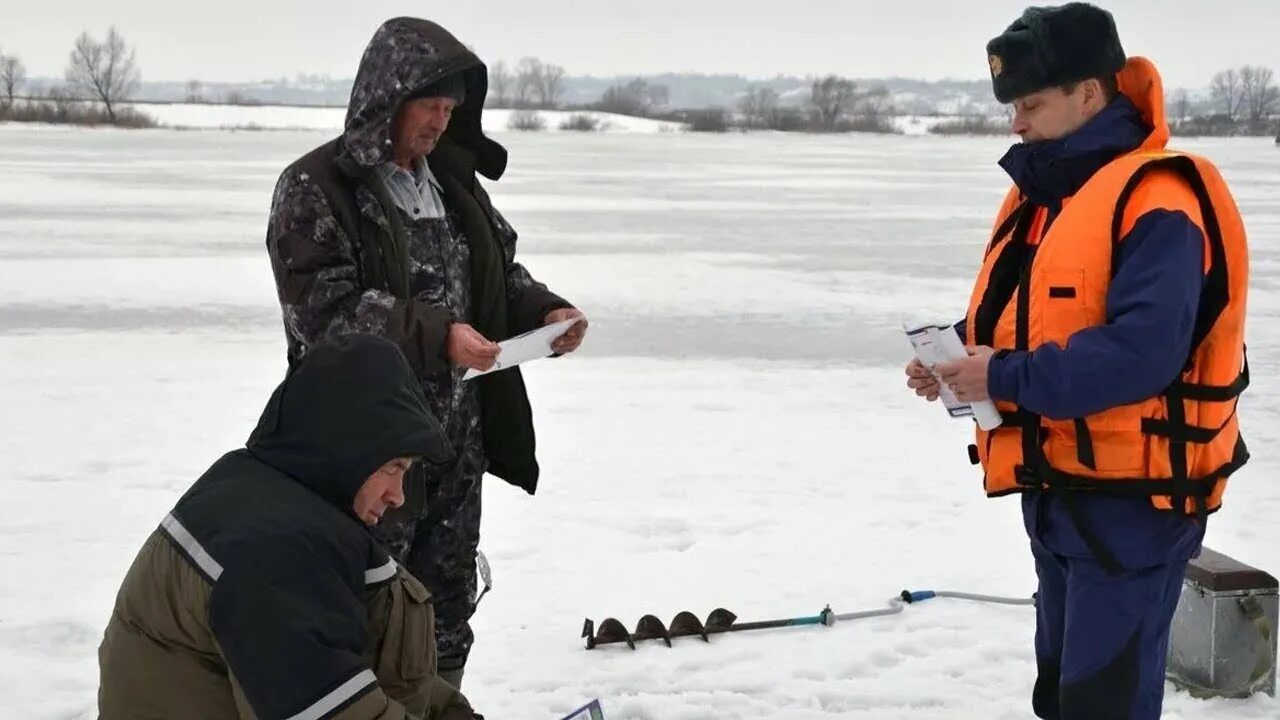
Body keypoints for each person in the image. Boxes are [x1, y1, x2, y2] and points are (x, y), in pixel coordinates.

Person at [905, 4, 1249, 719]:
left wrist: (1000, 375)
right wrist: (957, 354)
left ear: (1089, 94)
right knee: (1062, 696)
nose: (1017, 123)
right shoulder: (1046, 197)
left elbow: (1141, 353)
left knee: (1104, 703)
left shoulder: (1160, 198)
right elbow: (1025, 315)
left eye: (1031, 103)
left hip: (1134, 504)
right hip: (1059, 489)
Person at [265, 17, 587, 687]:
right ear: (388, 98)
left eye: (450, 110)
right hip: (363, 459)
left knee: (444, 615)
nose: (440, 123)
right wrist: (439, 334)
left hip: (453, 452)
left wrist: (545, 313)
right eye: (429, 106)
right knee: (361, 612)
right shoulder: (317, 188)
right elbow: (324, 316)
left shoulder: (453, 184)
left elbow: (500, 274)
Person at [98, 333, 479, 719]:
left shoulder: (283, 502)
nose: (397, 495)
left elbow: (370, 667)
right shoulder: (274, 549)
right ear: (349, 447)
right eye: (392, 468)